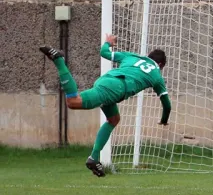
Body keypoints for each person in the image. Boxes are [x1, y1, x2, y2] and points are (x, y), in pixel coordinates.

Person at [40, 34, 172, 177]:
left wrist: (108, 43)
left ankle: (94, 158)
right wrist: (164, 120)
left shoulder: (132, 57)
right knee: (73, 102)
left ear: (148, 56)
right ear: (160, 65)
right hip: (115, 89)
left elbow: (104, 52)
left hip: (106, 80)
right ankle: (59, 60)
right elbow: (167, 105)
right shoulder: (156, 74)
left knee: (113, 118)